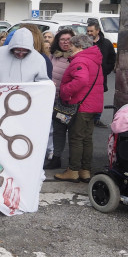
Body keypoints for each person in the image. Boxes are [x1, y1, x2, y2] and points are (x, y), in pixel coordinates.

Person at [54, 34, 103, 183]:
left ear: (79, 46)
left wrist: (64, 91)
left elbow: (81, 80)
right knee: (87, 139)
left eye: (72, 46)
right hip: (93, 105)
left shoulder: (80, 60)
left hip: (81, 105)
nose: (70, 49)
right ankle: (85, 170)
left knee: (76, 139)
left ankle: (73, 170)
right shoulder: (94, 59)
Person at [45, 29, 76, 170]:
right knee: (56, 129)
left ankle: (74, 163)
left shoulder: (75, 57)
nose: (65, 42)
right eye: (62, 39)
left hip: (68, 99)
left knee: (72, 131)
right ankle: (55, 156)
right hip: (53, 97)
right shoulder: (53, 56)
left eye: (68, 39)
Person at [87, 21, 116, 128]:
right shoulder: (85, 43)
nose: (89, 33)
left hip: (101, 77)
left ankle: (96, 119)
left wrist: (106, 70)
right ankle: (87, 118)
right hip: (87, 76)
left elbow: (112, 58)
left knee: (98, 98)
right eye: (88, 31)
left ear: (98, 31)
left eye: (91, 31)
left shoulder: (106, 43)